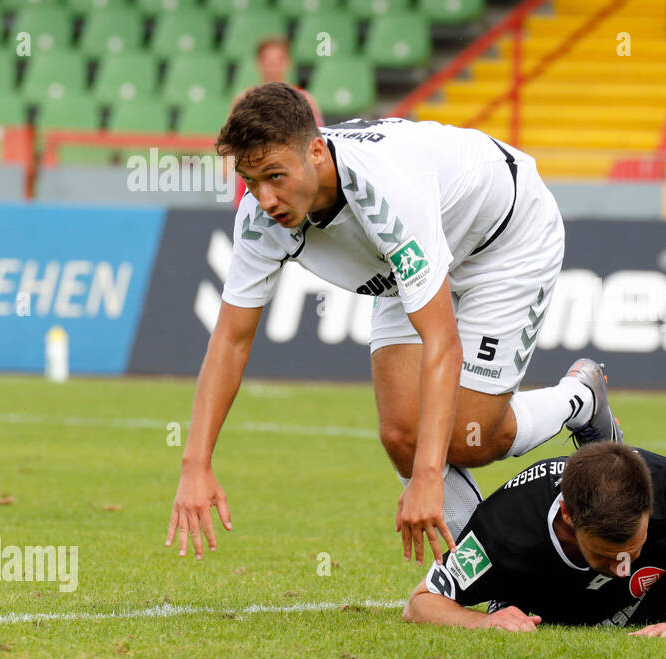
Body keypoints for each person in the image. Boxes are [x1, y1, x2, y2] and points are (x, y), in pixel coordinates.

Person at [166, 83, 622, 564]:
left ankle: (581, 398)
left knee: (469, 435)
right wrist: (195, 464)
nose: (265, 198)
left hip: (502, 239)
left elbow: (441, 342)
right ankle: (491, 572)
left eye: (275, 176)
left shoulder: (385, 193)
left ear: (316, 151)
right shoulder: (259, 218)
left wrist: (428, 477)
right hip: (406, 264)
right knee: (402, 435)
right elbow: (231, 341)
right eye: (250, 180)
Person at [403, 401, 666, 635]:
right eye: (607, 556)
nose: (623, 568)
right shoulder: (502, 528)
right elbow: (420, 603)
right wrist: (484, 621)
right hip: (561, 598)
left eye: (633, 549)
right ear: (569, 518)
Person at [232, 38, 322, 207]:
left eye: (277, 61)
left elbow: (316, 144)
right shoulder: (243, 101)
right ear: (259, 64)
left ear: (287, 63)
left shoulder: (304, 100)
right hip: (251, 187)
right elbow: (232, 147)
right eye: (268, 62)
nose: (273, 67)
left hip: (291, 186)